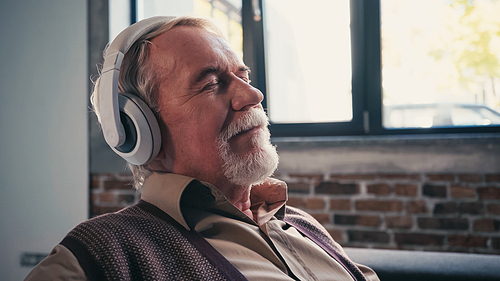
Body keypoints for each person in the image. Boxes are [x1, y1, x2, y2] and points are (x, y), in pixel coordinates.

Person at [25, 16, 379, 281]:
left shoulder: (301, 225)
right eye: (212, 83)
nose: (252, 95)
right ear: (138, 128)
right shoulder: (104, 252)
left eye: (245, 77)